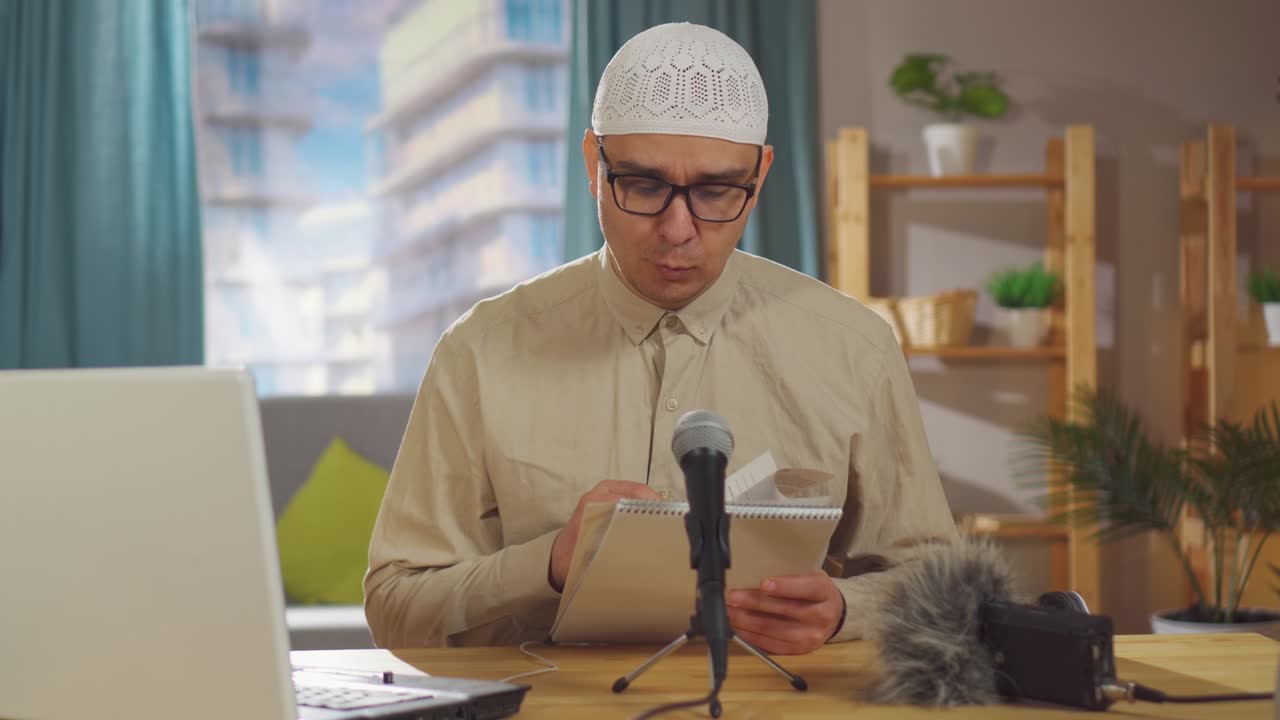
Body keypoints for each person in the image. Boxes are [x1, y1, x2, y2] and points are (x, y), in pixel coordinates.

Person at [365, 22, 957, 654]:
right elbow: (395, 605)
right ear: (594, 164)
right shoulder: (479, 352)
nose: (678, 230)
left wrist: (844, 609)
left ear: (759, 176)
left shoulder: (854, 347)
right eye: (644, 186)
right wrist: (550, 563)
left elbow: (942, 586)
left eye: (716, 190)